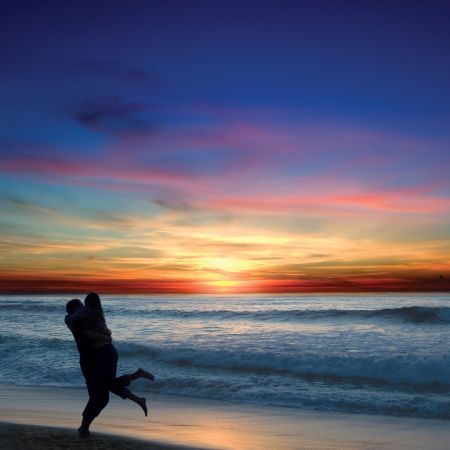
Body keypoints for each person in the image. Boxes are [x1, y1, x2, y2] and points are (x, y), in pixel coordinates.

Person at [65, 294, 155, 438]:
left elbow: (94, 332)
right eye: (81, 306)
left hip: (100, 355)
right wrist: (106, 335)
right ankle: (137, 392)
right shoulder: (82, 318)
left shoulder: (87, 315)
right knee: (103, 393)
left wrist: (105, 335)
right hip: (99, 356)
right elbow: (82, 326)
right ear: (76, 308)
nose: (84, 308)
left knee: (101, 392)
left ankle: (83, 428)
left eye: (85, 305)